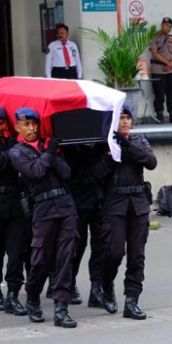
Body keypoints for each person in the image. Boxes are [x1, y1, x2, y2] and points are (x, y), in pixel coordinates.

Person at [9, 107, 77, 327]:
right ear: (17, 127)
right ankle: (33, 296)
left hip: (65, 205)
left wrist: (54, 152)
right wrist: (48, 154)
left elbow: (67, 174)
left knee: (65, 258)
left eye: (34, 123)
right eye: (26, 124)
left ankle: (61, 308)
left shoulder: (47, 146)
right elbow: (35, 172)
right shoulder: (17, 152)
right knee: (40, 260)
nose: (32, 128)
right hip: (43, 208)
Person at [94, 105, 157, 319]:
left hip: (138, 204)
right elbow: (96, 174)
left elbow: (151, 162)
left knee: (137, 255)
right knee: (114, 252)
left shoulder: (139, 141)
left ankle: (132, 299)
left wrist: (127, 146)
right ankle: (106, 283)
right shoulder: (106, 143)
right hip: (115, 204)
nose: (125, 122)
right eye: (121, 118)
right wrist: (111, 155)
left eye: (128, 118)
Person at [62, 140, 109, 308]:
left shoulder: (101, 143)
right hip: (78, 200)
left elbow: (103, 171)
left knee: (100, 247)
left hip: (98, 199)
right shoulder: (70, 143)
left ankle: (96, 288)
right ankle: (70, 281)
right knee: (76, 246)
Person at [0, 107, 28, 315]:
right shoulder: (12, 147)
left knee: (17, 252)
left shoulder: (15, 144)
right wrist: (12, 149)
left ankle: (12, 294)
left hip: (14, 205)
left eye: (2, 122)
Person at [150, 17, 172, 123]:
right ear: (161, 25)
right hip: (158, 70)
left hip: (171, 70)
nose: (167, 27)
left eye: (169, 26)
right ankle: (160, 114)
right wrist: (168, 63)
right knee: (159, 93)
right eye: (165, 25)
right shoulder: (155, 37)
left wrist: (171, 64)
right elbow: (154, 53)